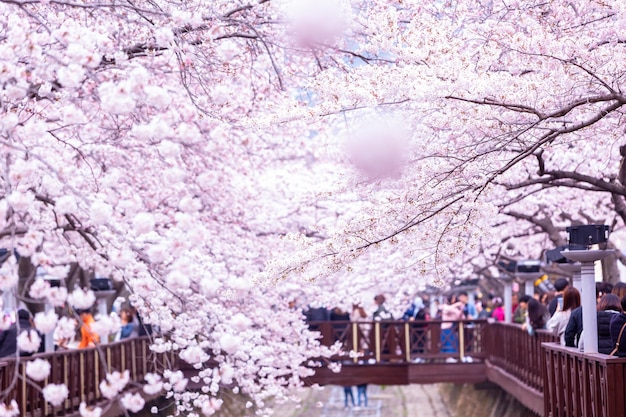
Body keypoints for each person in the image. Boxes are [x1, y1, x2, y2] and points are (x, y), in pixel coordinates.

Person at [440, 293, 464, 361]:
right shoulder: (445, 306)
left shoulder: (455, 308)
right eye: (452, 298)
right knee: (447, 343)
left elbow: (459, 316)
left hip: (452, 328)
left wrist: (461, 309)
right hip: (446, 328)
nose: (453, 300)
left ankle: (452, 357)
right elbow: (448, 309)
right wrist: (457, 304)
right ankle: (448, 357)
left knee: (452, 342)